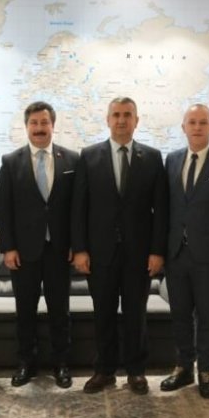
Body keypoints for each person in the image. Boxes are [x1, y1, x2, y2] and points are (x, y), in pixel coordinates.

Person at [72, 97, 168, 395]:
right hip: (100, 254)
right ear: (108, 119)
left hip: (139, 255)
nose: (122, 120)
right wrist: (80, 249)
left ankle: (136, 372)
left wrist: (157, 251)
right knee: (103, 314)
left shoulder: (152, 157)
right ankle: (104, 370)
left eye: (127, 115)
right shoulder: (89, 156)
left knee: (135, 315)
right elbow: (79, 207)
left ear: (136, 121)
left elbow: (161, 210)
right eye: (116, 115)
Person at [0, 102, 79, 388]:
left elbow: (77, 208)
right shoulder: (10, 162)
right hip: (23, 252)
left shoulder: (72, 160)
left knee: (60, 311)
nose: (39, 128)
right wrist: (8, 248)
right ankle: (25, 364)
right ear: (27, 126)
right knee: (25, 311)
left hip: (60, 251)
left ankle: (61, 364)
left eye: (44, 123)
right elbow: (3, 208)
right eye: (34, 123)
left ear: (53, 125)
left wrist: (76, 244)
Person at [161, 104, 209, 399]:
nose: (197, 127)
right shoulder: (172, 160)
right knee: (180, 314)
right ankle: (183, 367)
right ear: (183, 127)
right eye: (192, 122)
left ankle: (206, 371)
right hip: (176, 254)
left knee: (207, 316)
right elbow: (167, 208)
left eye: (202, 122)